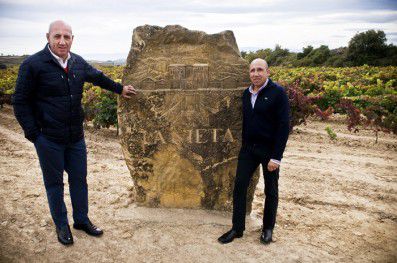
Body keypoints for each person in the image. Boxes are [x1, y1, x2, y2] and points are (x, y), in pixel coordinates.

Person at [12, 20, 137, 246]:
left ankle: (81, 220)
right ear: (48, 37)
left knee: (79, 180)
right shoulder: (33, 65)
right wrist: (34, 135)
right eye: (57, 36)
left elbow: (98, 78)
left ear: (72, 39)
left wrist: (120, 89)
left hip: (75, 138)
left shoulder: (77, 62)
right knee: (54, 184)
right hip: (48, 139)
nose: (62, 41)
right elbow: (19, 102)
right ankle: (62, 225)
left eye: (66, 37)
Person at [218, 58, 290, 245]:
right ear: (249, 73)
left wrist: (276, 157)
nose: (256, 74)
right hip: (248, 150)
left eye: (260, 70)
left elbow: (283, 126)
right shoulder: (246, 93)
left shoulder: (278, 93)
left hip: (269, 151)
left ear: (267, 72)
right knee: (240, 187)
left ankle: (267, 229)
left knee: (271, 190)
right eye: (252, 70)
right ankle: (237, 228)